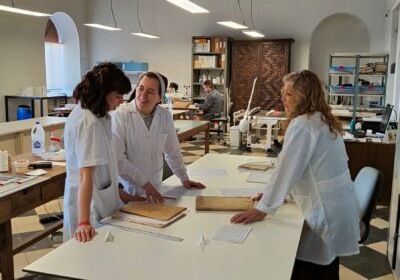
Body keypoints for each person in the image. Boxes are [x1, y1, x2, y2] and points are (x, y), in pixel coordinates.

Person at [231, 70, 360, 279]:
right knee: (326, 267)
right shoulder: (320, 120)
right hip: (337, 206)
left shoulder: (304, 124)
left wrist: (264, 208)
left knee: (313, 269)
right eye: (283, 93)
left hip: (326, 210)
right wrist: (274, 196)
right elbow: (307, 170)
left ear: (304, 96)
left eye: (288, 94)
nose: (282, 98)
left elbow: (287, 170)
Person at [63, 62, 145, 243]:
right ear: (103, 93)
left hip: (103, 200)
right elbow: (86, 176)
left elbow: (106, 167)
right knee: (87, 263)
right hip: (90, 208)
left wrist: (123, 195)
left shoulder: (100, 117)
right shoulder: (88, 122)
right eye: (117, 96)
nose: (121, 101)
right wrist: (84, 222)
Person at [112, 71, 206, 203]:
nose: (143, 96)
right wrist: (145, 184)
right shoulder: (121, 115)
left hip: (156, 188)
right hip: (130, 191)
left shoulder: (165, 116)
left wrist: (184, 178)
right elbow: (118, 160)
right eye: (141, 88)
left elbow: (173, 152)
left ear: (160, 98)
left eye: (150, 92)